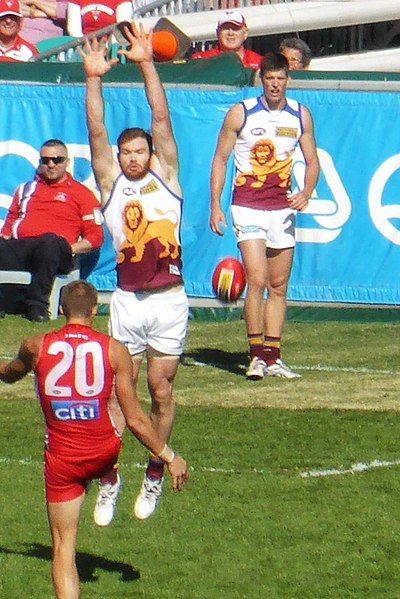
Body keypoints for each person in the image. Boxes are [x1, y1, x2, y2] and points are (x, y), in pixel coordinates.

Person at [0, 280, 188, 599]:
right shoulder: (114, 350)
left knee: (63, 547)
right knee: (110, 427)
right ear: (94, 310)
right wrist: (169, 456)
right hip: (103, 449)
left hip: (63, 461)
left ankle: (107, 481)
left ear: (59, 309)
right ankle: (108, 477)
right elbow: (137, 420)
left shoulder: (36, 345)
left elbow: (8, 373)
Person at [79, 23, 189, 522]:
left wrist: (146, 62)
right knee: (117, 401)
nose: (133, 158)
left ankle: (153, 475)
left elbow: (161, 116)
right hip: (126, 301)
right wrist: (94, 77)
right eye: (127, 153)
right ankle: (109, 480)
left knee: (160, 391)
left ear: (151, 153)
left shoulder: (167, 177)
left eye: (140, 151)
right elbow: (96, 131)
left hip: (168, 300)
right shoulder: (110, 183)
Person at [210, 52, 319, 380]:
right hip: (247, 205)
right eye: (269, 78)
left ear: (288, 79)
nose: (275, 84)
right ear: (261, 80)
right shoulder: (241, 114)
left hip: (282, 209)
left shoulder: (300, 116)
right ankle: (255, 354)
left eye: (280, 78)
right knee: (256, 278)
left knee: (279, 285)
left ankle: (273, 355)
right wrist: (215, 205)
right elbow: (220, 158)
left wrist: (306, 193)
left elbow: (312, 161)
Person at [0, 139, 104, 322]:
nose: (50, 164)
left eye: (57, 159)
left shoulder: (82, 194)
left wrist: (68, 248)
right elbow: (8, 227)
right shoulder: (26, 189)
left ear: (67, 162)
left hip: (57, 250)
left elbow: (95, 238)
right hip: (22, 247)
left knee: (49, 242)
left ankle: (37, 306)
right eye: (45, 160)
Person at [191, 10, 262, 71]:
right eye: (226, 28)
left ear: (245, 33)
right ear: (218, 33)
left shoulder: (259, 62)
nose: (230, 33)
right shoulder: (200, 60)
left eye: (235, 28)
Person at [66, 0, 132, 37]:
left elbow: (122, 27)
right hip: (85, 45)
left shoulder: (123, 1)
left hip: (111, 46)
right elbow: (73, 29)